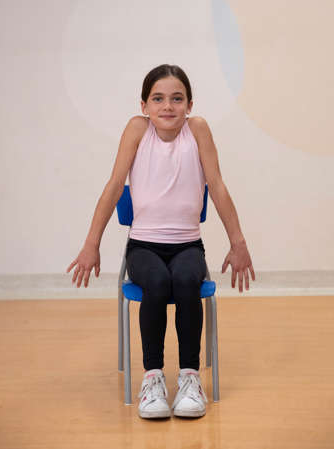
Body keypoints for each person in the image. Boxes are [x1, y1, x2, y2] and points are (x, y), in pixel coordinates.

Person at [67, 64, 255, 419]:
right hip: (143, 246)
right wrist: (91, 243)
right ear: (144, 105)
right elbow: (113, 187)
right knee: (156, 281)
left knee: (185, 280)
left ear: (189, 104)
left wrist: (238, 242)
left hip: (187, 246)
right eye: (158, 98)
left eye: (176, 98)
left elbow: (217, 187)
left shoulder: (197, 130)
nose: (167, 106)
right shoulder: (137, 130)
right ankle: (152, 379)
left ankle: (189, 378)